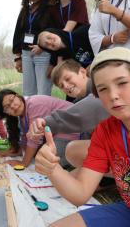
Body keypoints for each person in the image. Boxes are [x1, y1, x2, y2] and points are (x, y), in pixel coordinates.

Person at [35, 47, 130, 227]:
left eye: (122, 83)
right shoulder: (106, 131)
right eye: (103, 89)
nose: (113, 96)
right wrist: (52, 168)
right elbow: (80, 194)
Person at [0, 89, 74, 167]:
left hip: (74, 130)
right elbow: (25, 141)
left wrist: (24, 163)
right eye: (7, 108)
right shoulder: (22, 115)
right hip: (59, 133)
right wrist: (10, 152)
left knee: (44, 162)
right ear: (6, 113)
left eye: (12, 100)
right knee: (37, 155)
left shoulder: (34, 104)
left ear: (17, 95)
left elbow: (34, 140)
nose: (13, 106)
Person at [12, 0, 52, 96]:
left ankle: (44, 114)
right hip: (26, 54)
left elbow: (53, 32)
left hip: (42, 53)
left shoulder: (50, 9)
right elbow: (17, 32)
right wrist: (18, 57)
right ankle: (30, 114)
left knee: (42, 91)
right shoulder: (25, 10)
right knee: (28, 92)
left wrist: (43, 47)